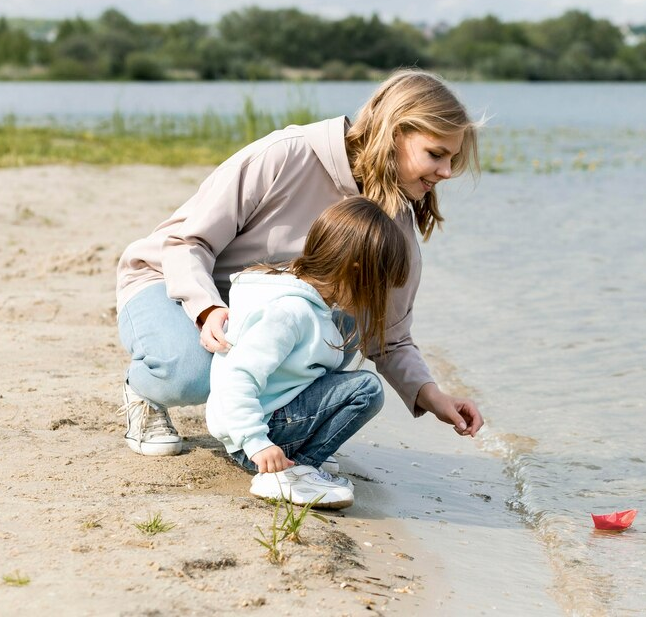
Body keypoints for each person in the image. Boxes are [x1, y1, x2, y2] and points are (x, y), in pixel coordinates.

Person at [115, 69, 484, 464]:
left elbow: (388, 336)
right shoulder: (288, 153)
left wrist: (434, 397)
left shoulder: (394, 225)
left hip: (267, 310)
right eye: (436, 154)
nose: (446, 172)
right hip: (173, 284)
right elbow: (188, 241)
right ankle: (144, 393)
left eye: (452, 158)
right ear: (395, 133)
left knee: (343, 329)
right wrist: (206, 308)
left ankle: (271, 433)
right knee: (192, 374)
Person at [206, 197, 408, 508]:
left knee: (340, 374)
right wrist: (256, 443)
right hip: (258, 438)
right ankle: (296, 469)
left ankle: (298, 463)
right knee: (366, 389)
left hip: (260, 425)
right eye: (379, 286)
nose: (378, 298)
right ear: (354, 272)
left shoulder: (299, 296)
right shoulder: (291, 312)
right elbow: (237, 377)